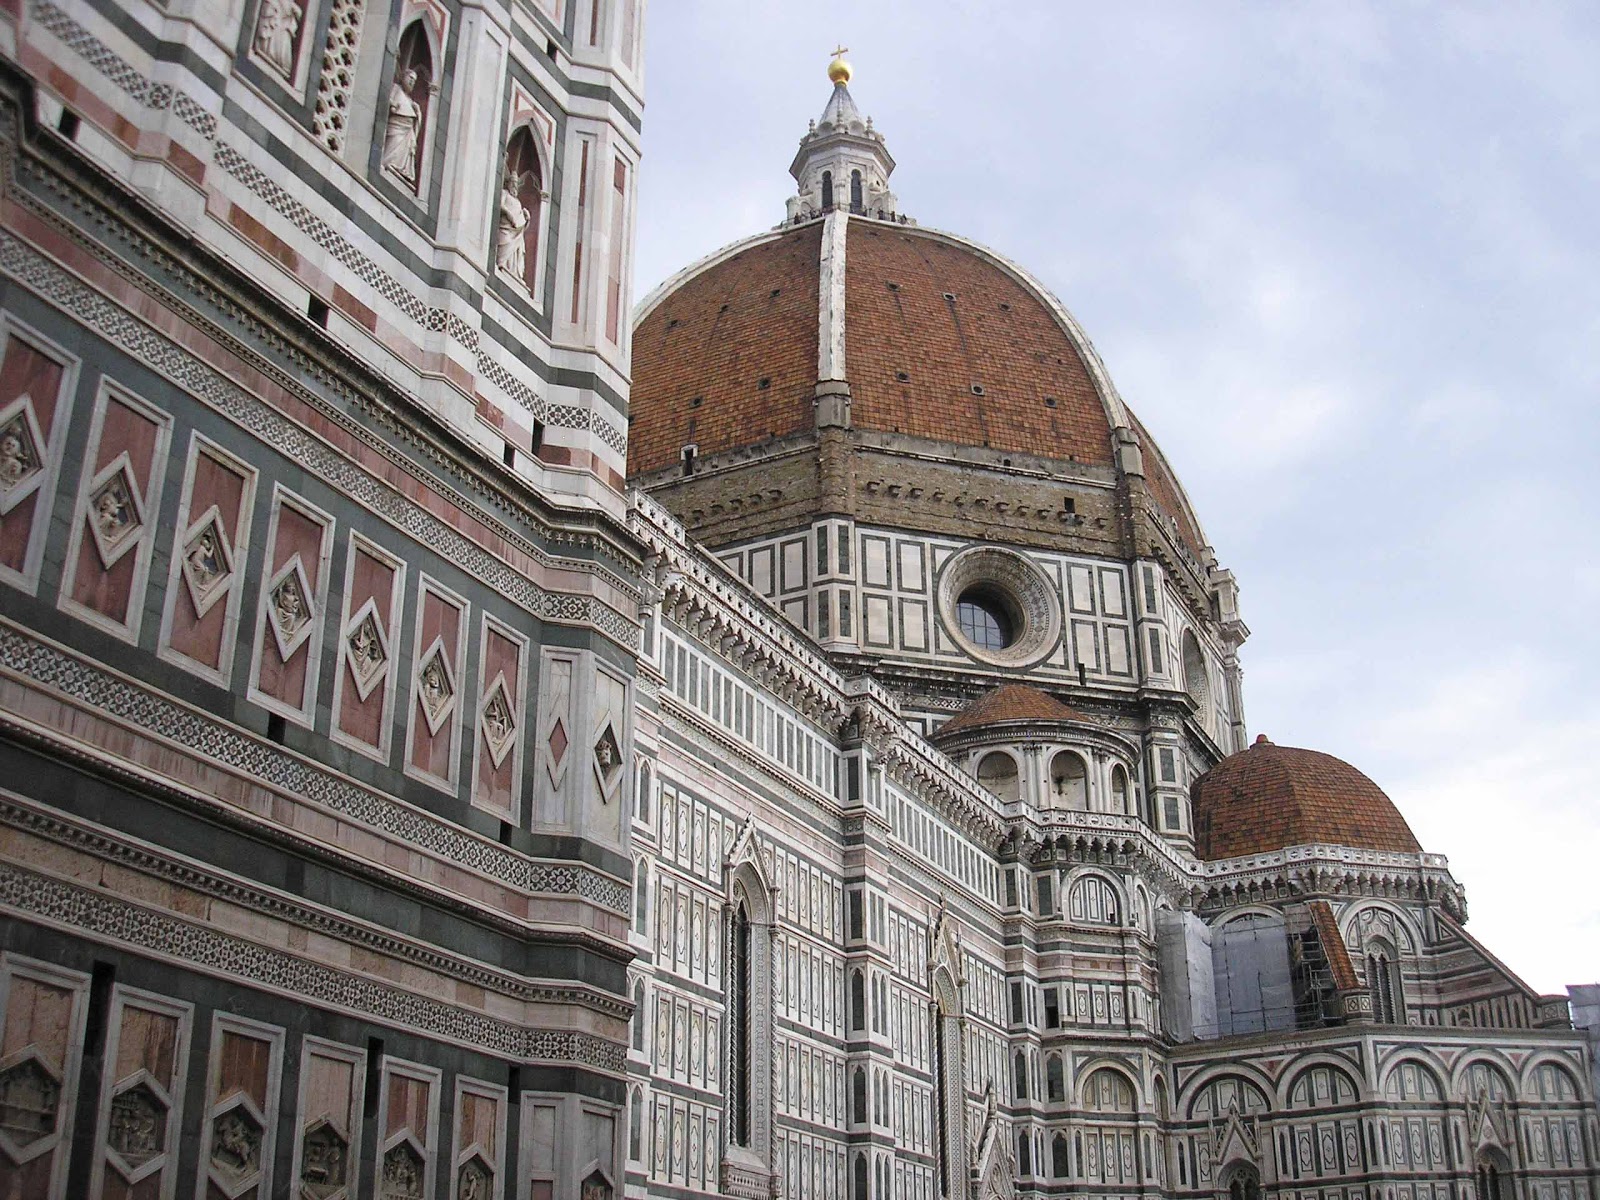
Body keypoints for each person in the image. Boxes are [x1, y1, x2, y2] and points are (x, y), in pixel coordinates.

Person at [382, 68, 422, 184]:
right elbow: (390, 102)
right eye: (410, 78)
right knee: (393, 145)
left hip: (407, 130)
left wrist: (418, 111)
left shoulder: (410, 101)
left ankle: (399, 169)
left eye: (414, 81)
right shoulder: (396, 88)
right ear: (403, 77)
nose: (412, 82)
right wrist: (393, 105)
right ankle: (388, 162)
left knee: (404, 150)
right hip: (397, 126)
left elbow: (415, 119)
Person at [254, 0, 303, 78]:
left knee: (283, 45)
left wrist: (293, 9)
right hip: (274, 14)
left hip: (283, 25)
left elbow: (297, 13)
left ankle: (279, 61)